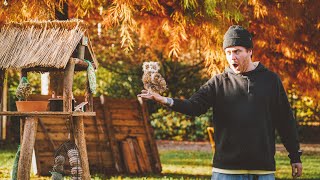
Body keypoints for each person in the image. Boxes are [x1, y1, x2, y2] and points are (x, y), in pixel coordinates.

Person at [138, 25, 303, 180]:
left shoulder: (271, 80)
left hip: (262, 170)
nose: (232, 57)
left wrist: (295, 156)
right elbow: (194, 106)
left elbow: (285, 120)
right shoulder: (218, 82)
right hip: (226, 171)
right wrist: (164, 100)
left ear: (250, 51)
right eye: (228, 52)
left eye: (237, 51)